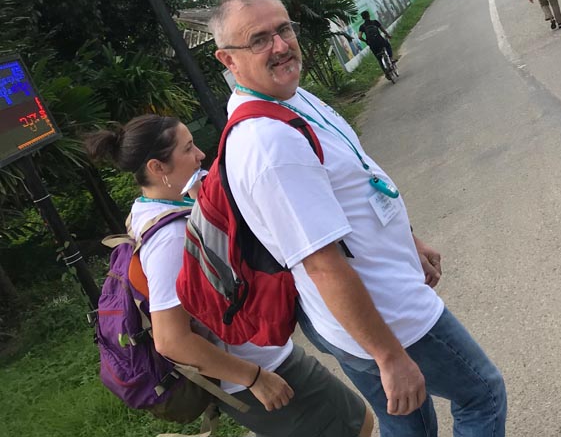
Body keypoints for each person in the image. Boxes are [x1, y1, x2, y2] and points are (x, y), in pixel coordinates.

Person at [208, 0, 507, 437]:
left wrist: (408, 238)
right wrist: (389, 356)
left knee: (408, 423)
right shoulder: (269, 145)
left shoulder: (287, 97)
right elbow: (322, 265)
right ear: (228, 60)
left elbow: (357, 177)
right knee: (482, 395)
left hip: (362, 311)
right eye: (259, 40)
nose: (281, 46)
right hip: (385, 315)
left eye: (284, 29)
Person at [84, 116, 374, 437]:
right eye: (188, 149)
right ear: (157, 167)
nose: (200, 155)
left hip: (255, 363)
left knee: (355, 422)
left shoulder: (147, 209)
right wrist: (254, 378)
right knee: (358, 424)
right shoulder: (170, 238)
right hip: (256, 369)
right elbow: (171, 340)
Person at [358, 10, 395, 79]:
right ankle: (391, 58)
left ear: (363, 18)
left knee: (379, 59)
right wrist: (388, 35)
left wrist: (366, 41)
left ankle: (386, 73)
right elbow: (383, 30)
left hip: (372, 44)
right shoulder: (375, 22)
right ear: (369, 15)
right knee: (387, 45)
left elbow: (359, 37)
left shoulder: (362, 26)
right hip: (380, 41)